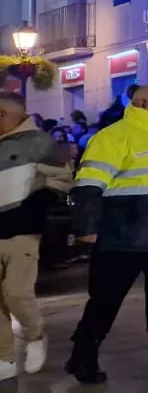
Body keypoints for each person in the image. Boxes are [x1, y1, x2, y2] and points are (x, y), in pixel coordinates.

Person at [66, 85, 148, 383]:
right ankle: (83, 357)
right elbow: (88, 185)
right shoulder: (113, 137)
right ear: (140, 103)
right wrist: (87, 228)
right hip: (121, 238)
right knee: (104, 301)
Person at [0, 93, 70, 378]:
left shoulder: (40, 141)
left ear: (5, 114)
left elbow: (64, 176)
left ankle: (34, 336)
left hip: (21, 232)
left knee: (17, 293)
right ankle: (4, 358)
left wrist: (40, 201)